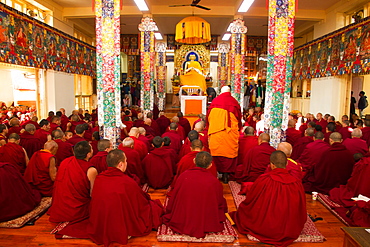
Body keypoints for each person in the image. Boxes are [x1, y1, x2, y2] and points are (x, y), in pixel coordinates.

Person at [55, 149, 164, 246]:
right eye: (126, 161)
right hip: (120, 218)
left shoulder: (100, 178)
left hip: (102, 219)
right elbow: (140, 203)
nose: (127, 163)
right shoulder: (128, 182)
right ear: (120, 164)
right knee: (154, 208)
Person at [231, 151, 306, 247]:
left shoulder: (264, 179)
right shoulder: (296, 183)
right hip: (290, 228)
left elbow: (251, 201)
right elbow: (301, 208)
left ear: (272, 165)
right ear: (286, 164)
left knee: (244, 210)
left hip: (266, 228)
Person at [163, 151, 227, 238]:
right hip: (205, 214)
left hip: (184, 214)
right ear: (210, 165)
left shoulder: (183, 176)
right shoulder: (214, 182)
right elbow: (218, 201)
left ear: (194, 161)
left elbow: (175, 196)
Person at [49, 141, 98, 223]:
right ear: (88, 154)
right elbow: (93, 193)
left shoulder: (65, 162)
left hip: (60, 206)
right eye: (92, 149)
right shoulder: (91, 170)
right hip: (77, 208)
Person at [208, 86, 242, 183]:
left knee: (217, 150)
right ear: (229, 92)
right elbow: (238, 118)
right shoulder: (234, 102)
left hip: (216, 132)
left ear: (220, 92)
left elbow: (209, 118)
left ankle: (219, 172)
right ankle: (226, 174)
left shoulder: (215, 102)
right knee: (228, 150)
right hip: (229, 133)